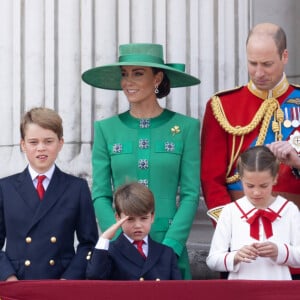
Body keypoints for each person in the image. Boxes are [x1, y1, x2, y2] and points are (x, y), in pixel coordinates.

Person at [82, 43, 201, 279]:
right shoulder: (106, 129)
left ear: (157, 78)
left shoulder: (186, 128)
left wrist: (171, 246)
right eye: (124, 74)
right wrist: (120, 241)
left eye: (138, 73)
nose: (128, 82)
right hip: (120, 255)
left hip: (169, 246)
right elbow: (101, 194)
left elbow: (190, 194)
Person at [201, 22, 300, 225]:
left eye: (267, 64)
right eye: (252, 63)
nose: (258, 73)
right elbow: (211, 179)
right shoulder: (222, 105)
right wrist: (230, 228)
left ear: (285, 56)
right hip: (240, 223)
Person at [0, 107, 98, 281]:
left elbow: (88, 244)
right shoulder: (5, 188)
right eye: (33, 142)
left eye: (48, 141)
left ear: (60, 143)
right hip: (18, 283)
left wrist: (68, 280)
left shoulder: (77, 188)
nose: (41, 148)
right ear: (23, 144)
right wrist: (8, 277)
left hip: (61, 283)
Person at [206, 146, 300, 280]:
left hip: (278, 289)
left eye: (263, 186)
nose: (256, 192)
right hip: (240, 290)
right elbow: (213, 260)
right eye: (250, 186)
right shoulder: (230, 211)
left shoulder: (289, 210)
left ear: (275, 179)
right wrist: (236, 256)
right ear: (241, 179)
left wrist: (280, 251)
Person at [86, 181, 182, 280]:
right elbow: (95, 277)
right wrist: (104, 238)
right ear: (118, 218)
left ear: (152, 217)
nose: (138, 225)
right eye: (130, 219)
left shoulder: (166, 253)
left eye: (144, 218)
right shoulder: (109, 252)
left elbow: (177, 292)